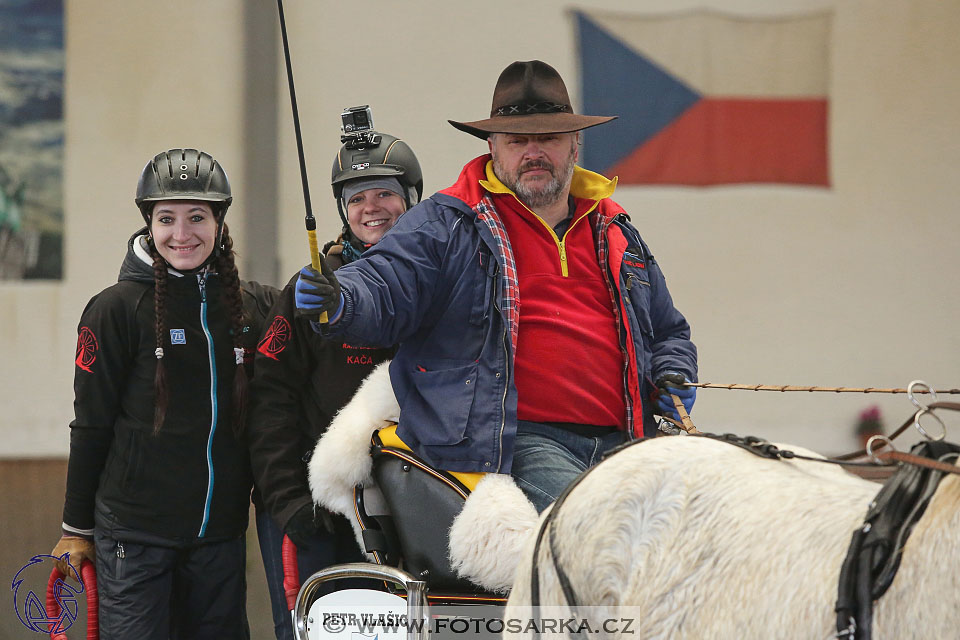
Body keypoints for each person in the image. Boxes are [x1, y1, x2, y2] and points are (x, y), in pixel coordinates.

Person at [295, 60, 698, 513]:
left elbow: (667, 332)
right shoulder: (446, 222)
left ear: (575, 145)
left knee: (700, 526)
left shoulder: (615, 228)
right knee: (607, 525)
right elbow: (383, 283)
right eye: (517, 140)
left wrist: (674, 372)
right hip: (513, 442)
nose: (533, 152)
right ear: (492, 146)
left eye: (547, 138)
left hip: (625, 439)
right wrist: (340, 298)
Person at [51, 149, 277, 639]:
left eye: (197, 217)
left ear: (218, 222)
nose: (182, 234)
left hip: (219, 535)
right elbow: (89, 425)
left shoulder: (253, 306)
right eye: (166, 219)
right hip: (134, 538)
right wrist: (75, 528)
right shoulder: (114, 310)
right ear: (148, 224)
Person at [247, 127, 422, 640]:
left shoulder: (439, 286)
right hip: (313, 514)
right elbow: (268, 402)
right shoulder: (309, 293)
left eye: (386, 193)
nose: (372, 208)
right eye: (357, 198)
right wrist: (288, 501)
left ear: (411, 197)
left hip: (407, 513)